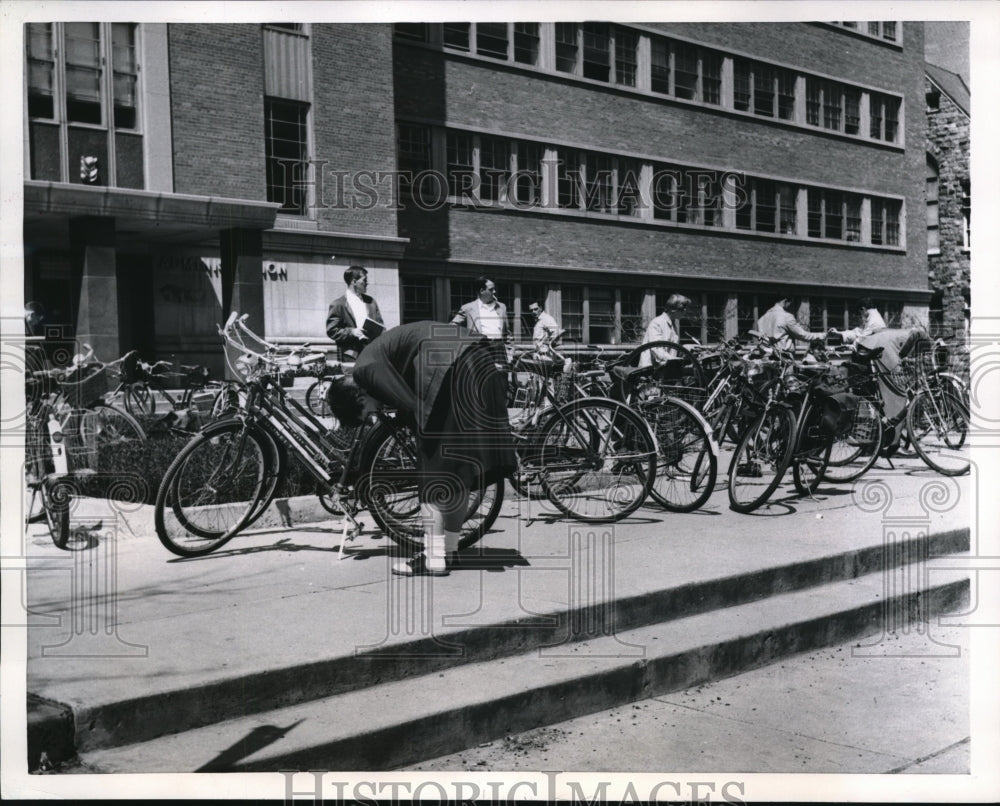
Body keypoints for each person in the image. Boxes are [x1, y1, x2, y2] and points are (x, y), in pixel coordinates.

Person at [349, 321, 516, 576]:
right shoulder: (384, 348)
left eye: (365, 413)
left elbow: (409, 403)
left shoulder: (363, 367)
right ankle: (449, 552)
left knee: (432, 475)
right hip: (480, 362)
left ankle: (432, 558)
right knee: (459, 474)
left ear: (356, 397)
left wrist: (421, 436)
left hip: (450, 367)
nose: (374, 415)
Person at [325, 265, 384, 361]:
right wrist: (352, 332)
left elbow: (380, 325)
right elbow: (332, 331)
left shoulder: (371, 302)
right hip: (351, 355)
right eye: (364, 280)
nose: (367, 283)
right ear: (354, 282)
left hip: (372, 353)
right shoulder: (338, 304)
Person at [755, 294, 825, 352]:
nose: (790, 306)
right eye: (790, 303)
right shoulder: (786, 317)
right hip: (783, 359)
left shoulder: (761, 319)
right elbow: (803, 335)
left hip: (765, 359)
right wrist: (824, 335)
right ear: (785, 301)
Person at [638, 294, 691, 368]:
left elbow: (672, 348)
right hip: (650, 370)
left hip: (665, 368)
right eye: (683, 308)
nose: (685, 311)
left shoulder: (673, 324)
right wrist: (674, 360)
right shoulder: (657, 323)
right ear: (673, 309)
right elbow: (656, 349)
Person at [451, 276, 510, 341]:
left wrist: (510, 348)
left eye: (494, 289)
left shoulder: (502, 307)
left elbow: (507, 332)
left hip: (499, 347)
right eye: (491, 289)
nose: (494, 291)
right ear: (482, 291)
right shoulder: (468, 308)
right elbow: (451, 327)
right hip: (479, 348)